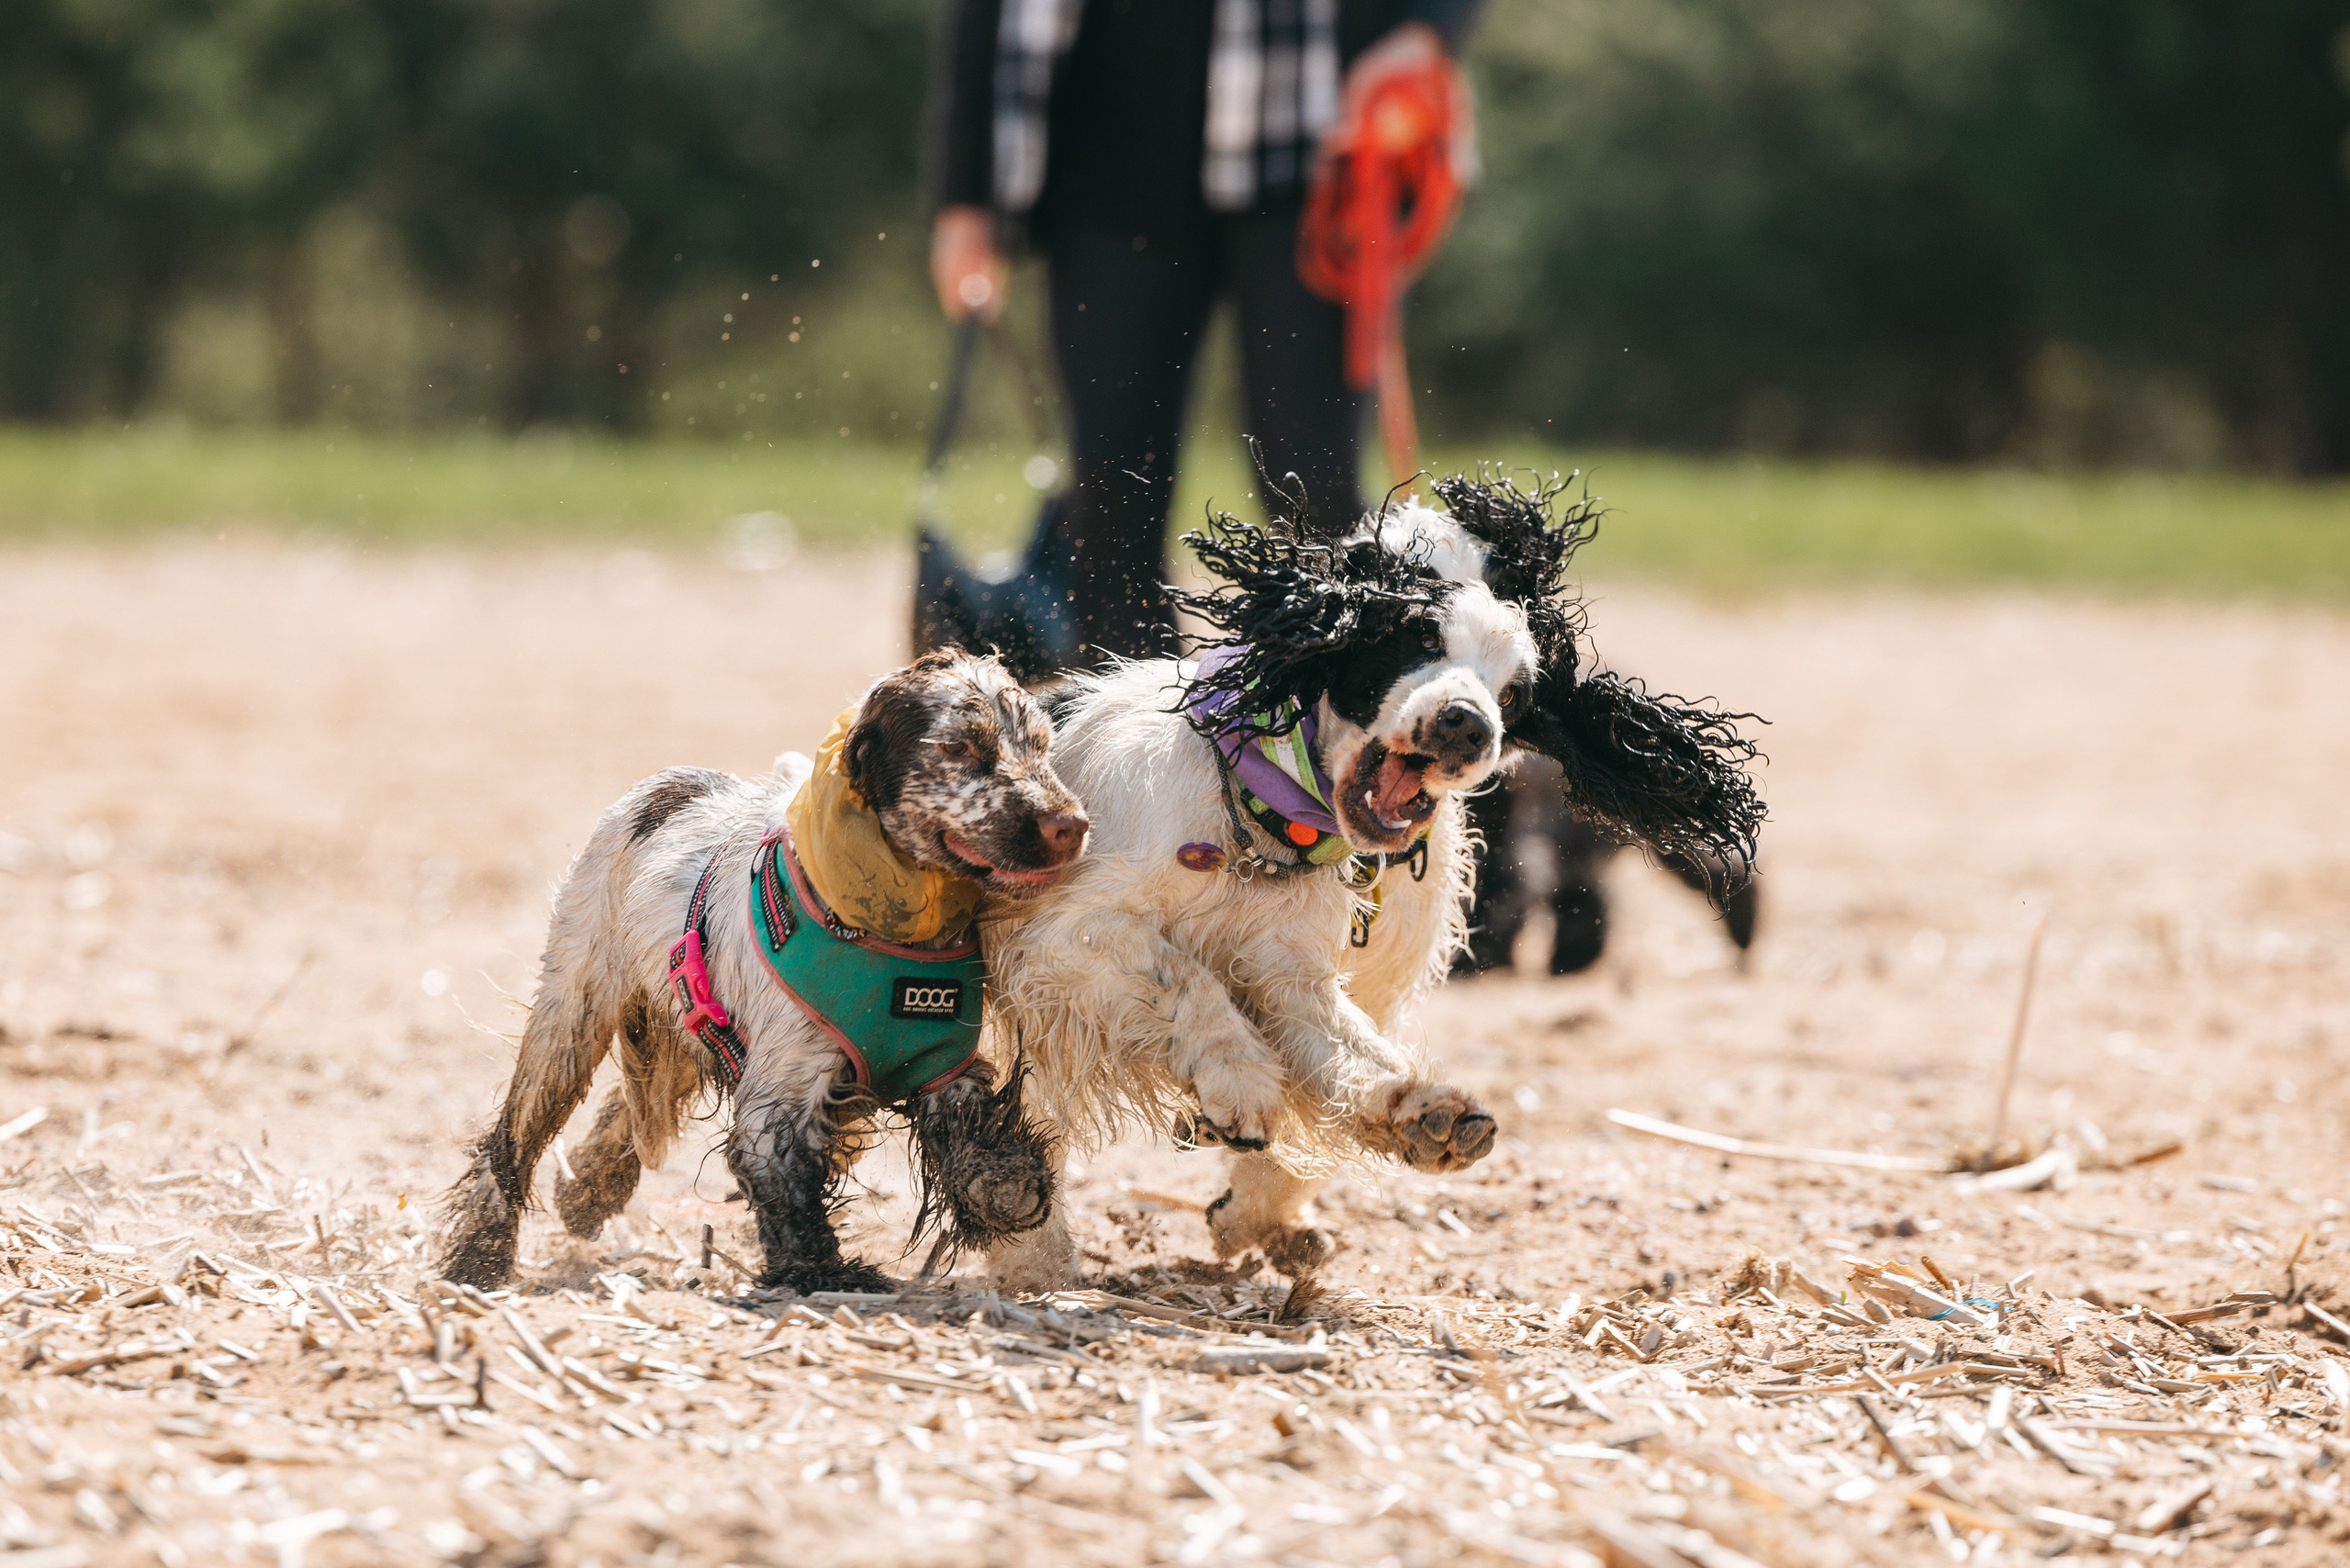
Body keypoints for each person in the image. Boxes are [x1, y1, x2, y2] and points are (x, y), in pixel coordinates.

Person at [926, 0, 1483, 666]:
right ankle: (1126, 739)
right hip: (1103, 161)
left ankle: (1350, 716)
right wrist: (966, 194)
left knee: (1316, 490)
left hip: (1312, 151)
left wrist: (1425, 30)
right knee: (1110, 491)